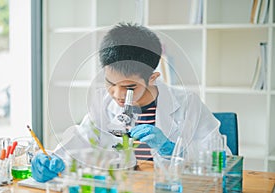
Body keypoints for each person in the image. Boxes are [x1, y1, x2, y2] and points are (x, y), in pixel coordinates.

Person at [31, 23, 230, 182]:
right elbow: (81, 143)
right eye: (110, 83)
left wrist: (172, 149)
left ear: (152, 78)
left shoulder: (188, 105)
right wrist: (52, 159)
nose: (117, 94)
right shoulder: (103, 103)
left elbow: (223, 158)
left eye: (129, 88)